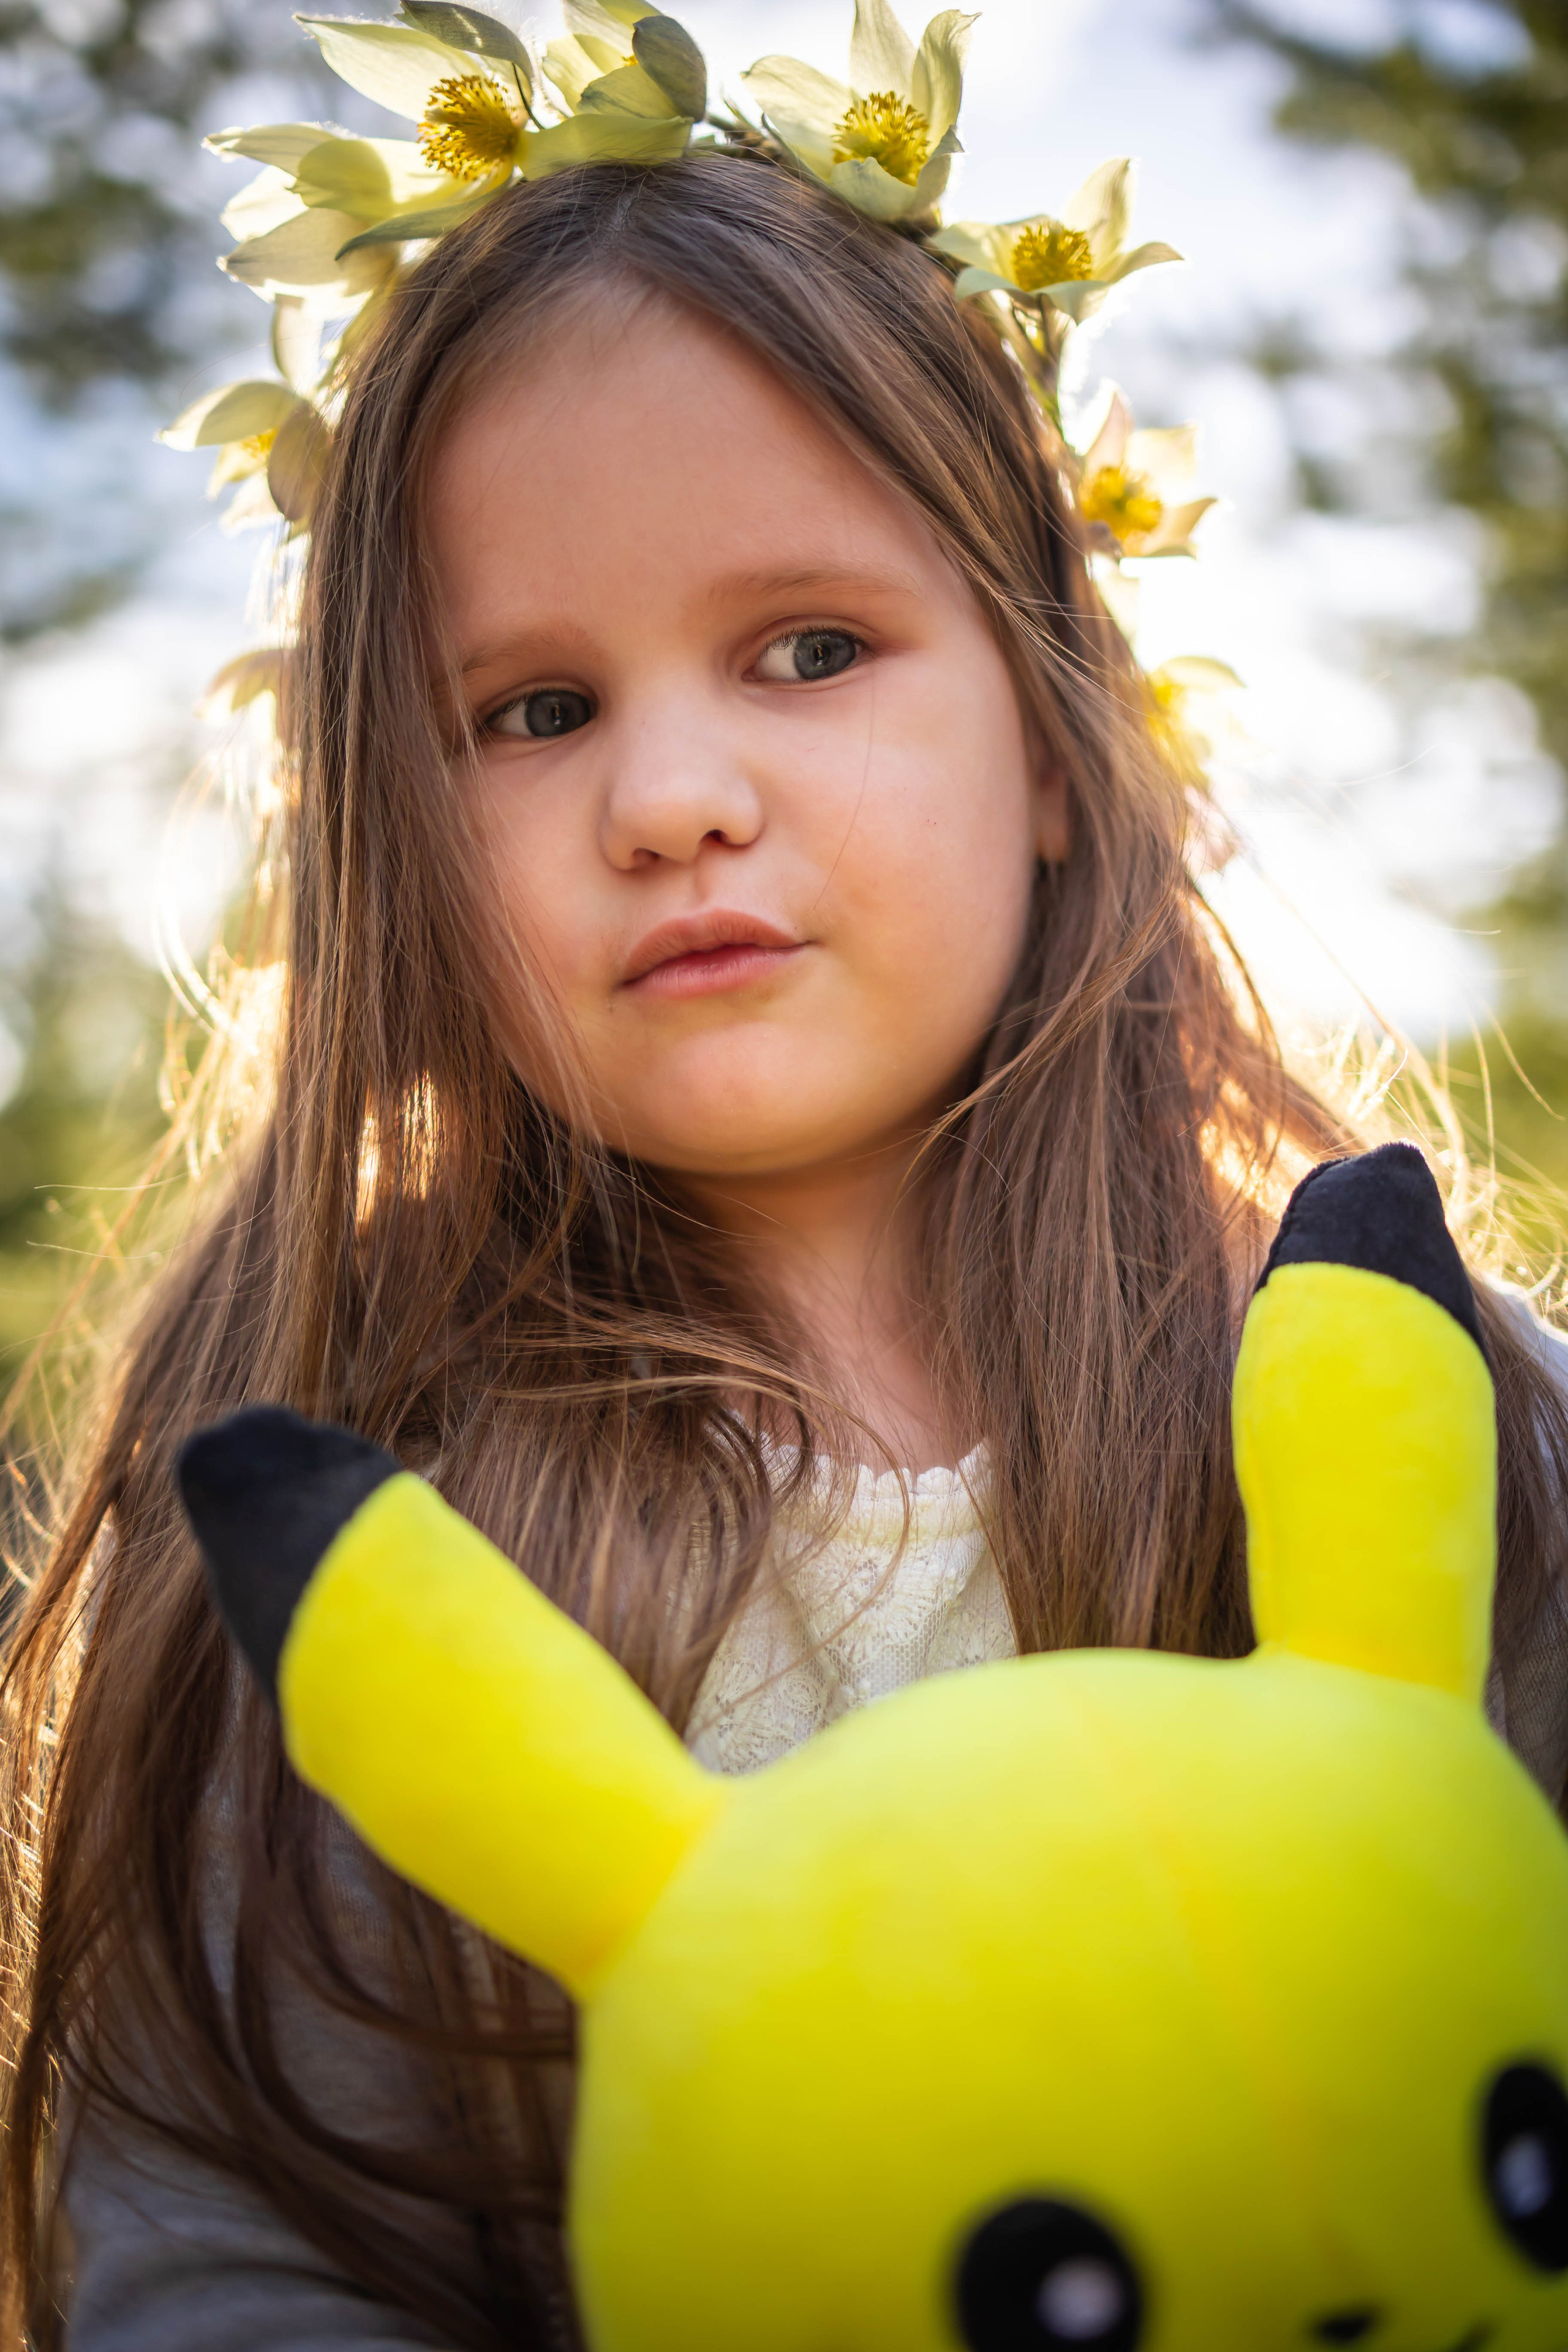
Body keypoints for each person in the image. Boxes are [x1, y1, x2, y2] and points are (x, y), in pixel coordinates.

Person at [4, 47, 1568, 2352]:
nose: (672, 797)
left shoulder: (1415, 1419)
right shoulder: (353, 1574)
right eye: (532, 710)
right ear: (388, 849)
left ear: (1054, 734)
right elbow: (225, 2267)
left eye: (812, 650)